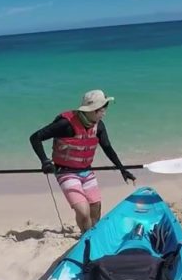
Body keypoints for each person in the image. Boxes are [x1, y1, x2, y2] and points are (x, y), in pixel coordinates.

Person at [29, 89, 136, 232]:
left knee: (95, 207)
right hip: (65, 172)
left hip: (86, 171)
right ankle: (86, 237)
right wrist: (45, 161)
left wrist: (122, 169)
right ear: (91, 110)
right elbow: (35, 138)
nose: (105, 112)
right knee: (83, 212)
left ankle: (92, 234)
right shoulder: (65, 125)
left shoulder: (99, 126)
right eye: (102, 108)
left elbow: (107, 148)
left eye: (105, 107)